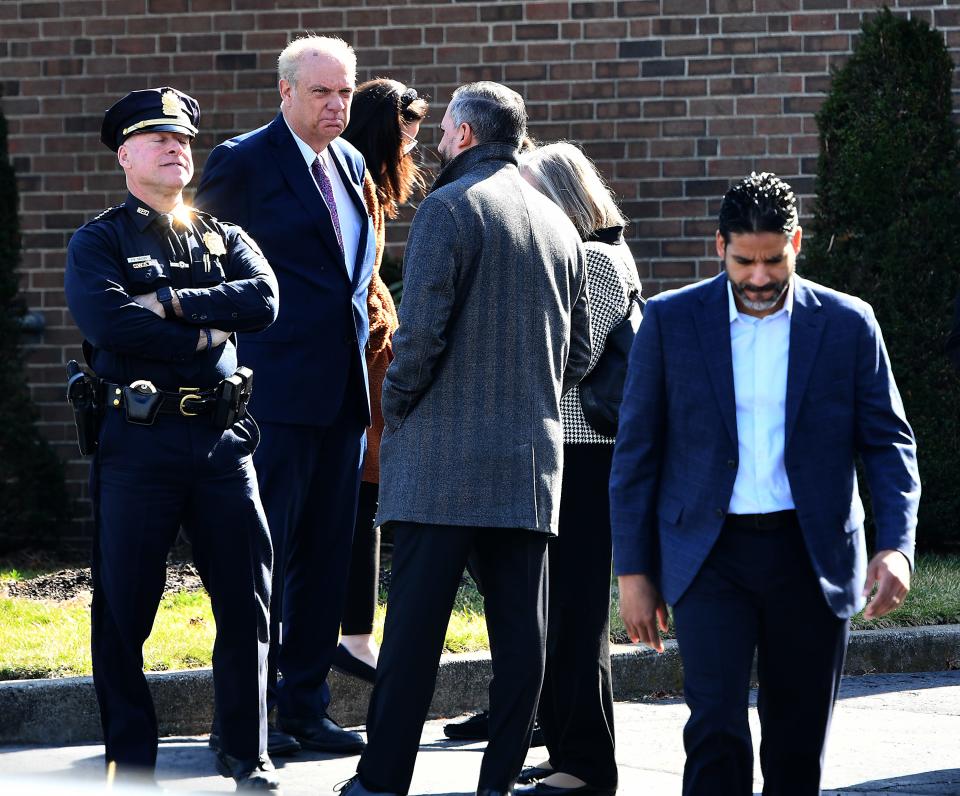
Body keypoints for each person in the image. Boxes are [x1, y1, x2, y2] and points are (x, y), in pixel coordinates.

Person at [610, 172, 921, 796]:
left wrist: (897, 545)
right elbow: (637, 454)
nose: (758, 278)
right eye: (744, 261)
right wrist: (634, 571)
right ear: (718, 244)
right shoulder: (671, 322)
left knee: (798, 744)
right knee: (716, 734)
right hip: (708, 556)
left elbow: (888, 442)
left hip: (811, 556)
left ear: (797, 244)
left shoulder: (847, 324)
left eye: (773, 261)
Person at [338, 81, 592, 796]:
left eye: (445, 131)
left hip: (439, 467)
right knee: (522, 642)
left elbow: (418, 339)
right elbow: (577, 352)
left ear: (468, 135)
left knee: (413, 640)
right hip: (528, 466)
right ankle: (498, 783)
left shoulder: (448, 209)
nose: (439, 143)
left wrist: (395, 400)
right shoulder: (560, 225)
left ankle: (381, 782)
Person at [64, 87, 280, 790]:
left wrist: (175, 303)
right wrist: (209, 331)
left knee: (246, 602)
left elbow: (266, 300)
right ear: (125, 155)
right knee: (125, 611)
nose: (176, 148)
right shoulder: (100, 240)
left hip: (222, 443)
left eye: (183, 139)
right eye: (158, 139)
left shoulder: (222, 235)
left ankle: (247, 756)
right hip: (139, 443)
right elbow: (111, 325)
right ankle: (131, 767)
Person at [195, 35, 375, 756]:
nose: (337, 106)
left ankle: (305, 706)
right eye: (323, 93)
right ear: (286, 92)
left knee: (327, 557)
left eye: (346, 93)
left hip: (343, 395)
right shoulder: (243, 161)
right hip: (271, 393)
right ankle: (246, 718)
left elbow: (350, 279)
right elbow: (201, 263)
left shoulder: (354, 162)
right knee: (259, 560)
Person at [515, 141, 640, 796]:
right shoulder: (595, 252)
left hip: (583, 452)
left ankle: (586, 765)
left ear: (563, 195)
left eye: (531, 191)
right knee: (561, 612)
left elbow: (578, 353)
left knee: (576, 612)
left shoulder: (591, 257)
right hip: (573, 451)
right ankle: (566, 748)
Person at [333, 78, 428, 683]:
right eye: (407, 132)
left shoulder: (366, 185)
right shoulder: (355, 183)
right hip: (363, 359)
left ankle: (356, 635)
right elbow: (353, 281)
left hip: (373, 354)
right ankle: (353, 636)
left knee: (366, 497)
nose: (413, 145)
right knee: (359, 496)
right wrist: (382, 324)